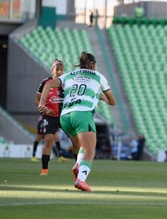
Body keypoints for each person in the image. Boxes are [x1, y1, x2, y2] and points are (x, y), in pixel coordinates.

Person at [38, 52, 116, 192]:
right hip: (82, 114)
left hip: (65, 116)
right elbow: (112, 102)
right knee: (90, 151)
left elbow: (49, 84)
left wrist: (42, 103)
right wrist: (99, 95)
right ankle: (81, 180)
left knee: (81, 145)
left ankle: (78, 166)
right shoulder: (98, 76)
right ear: (93, 65)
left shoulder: (71, 74)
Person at [34, 59, 69, 175]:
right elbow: (38, 100)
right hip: (50, 116)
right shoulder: (45, 82)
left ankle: (79, 171)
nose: (59, 72)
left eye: (61, 69)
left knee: (76, 140)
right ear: (52, 69)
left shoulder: (68, 82)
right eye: (57, 69)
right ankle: (44, 169)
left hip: (65, 116)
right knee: (48, 140)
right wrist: (45, 109)